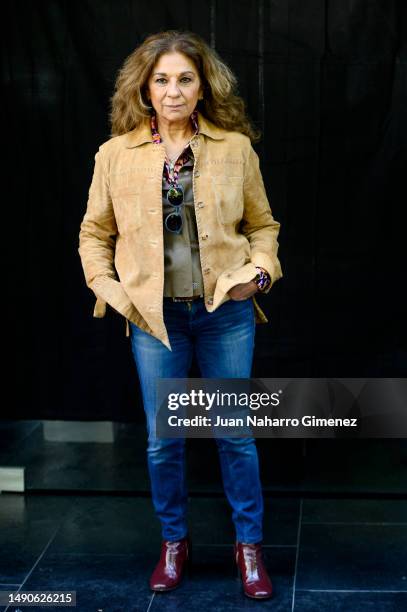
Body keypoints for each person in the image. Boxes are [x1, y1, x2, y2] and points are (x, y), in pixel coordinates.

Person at [78, 29, 282, 600]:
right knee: (163, 440)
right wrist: (107, 287)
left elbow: (262, 226)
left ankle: (249, 549)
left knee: (235, 435)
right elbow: (94, 233)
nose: (173, 91)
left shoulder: (235, 148)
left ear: (202, 87)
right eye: (161, 79)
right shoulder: (115, 156)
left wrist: (258, 274)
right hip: (154, 320)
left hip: (224, 314)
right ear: (145, 87)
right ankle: (174, 543)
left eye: (185, 79)